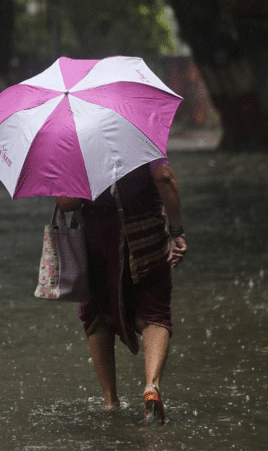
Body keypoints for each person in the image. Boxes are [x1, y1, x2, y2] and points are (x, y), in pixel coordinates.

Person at [56, 158, 187, 425]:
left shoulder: (78, 146)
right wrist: (176, 231)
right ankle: (152, 386)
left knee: (97, 315)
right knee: (155, 313)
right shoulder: (142, 136)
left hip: (98, 242)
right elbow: (165, 178)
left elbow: (67, 202)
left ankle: (110, 401)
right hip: (146, 238)